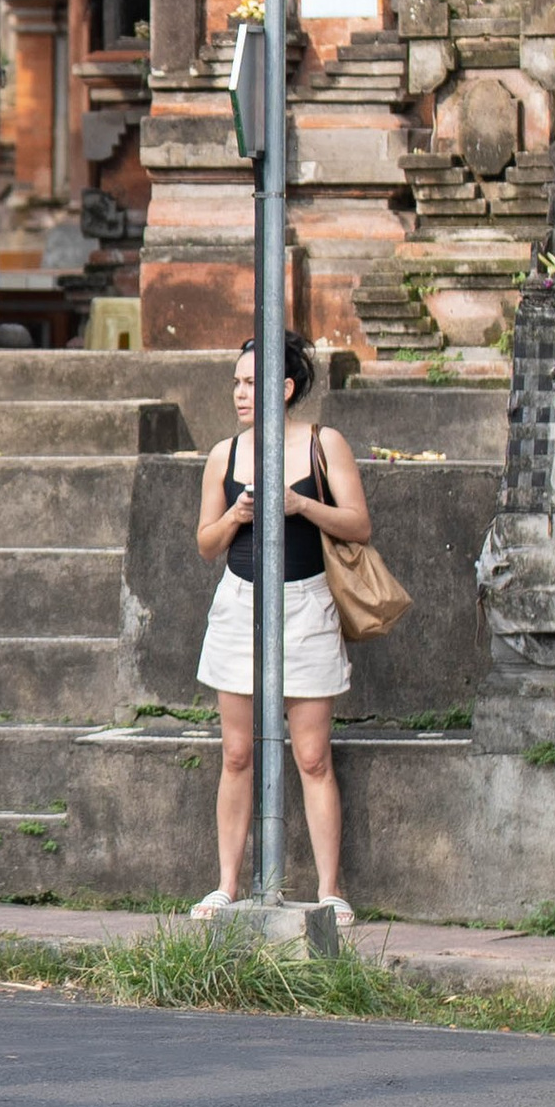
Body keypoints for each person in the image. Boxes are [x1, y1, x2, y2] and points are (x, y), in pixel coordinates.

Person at [191, 338, 369, 925]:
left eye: (251, 383)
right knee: (237, 753)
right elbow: (206, 544)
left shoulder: (324, 444)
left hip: (307, 603)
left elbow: (359, 525)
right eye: (237, 383)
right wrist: (235, 516)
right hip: (240, 604)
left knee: (313, 756)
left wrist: (300, 505)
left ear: (284, 388)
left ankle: (329, 890)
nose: (240, 394)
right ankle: (226, 885)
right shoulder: (225, 454)